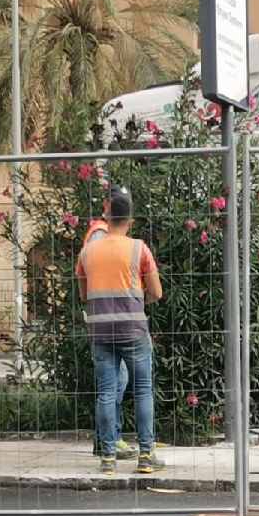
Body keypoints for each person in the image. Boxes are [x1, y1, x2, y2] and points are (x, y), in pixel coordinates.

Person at [76, 186, 164, 474]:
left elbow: (83, 294)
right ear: (131, 220)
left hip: (100, 331)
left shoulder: (88, 251)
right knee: (142, 390)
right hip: (133, 329)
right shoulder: (139, 248)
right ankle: (146, 456)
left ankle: (108, 457)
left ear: (106, 214)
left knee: (105, 391)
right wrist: (140, 299)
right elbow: (157, 292)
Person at [82, 197, 135, 460]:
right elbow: (90, 273)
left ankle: (107, 439)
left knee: (113, 382)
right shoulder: (99, 235)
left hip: (106, 317)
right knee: (114, 383)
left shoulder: (99, 234)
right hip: (109, 319)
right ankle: (107, 439)